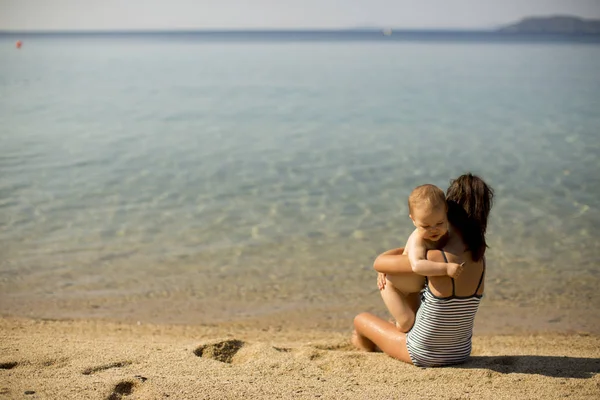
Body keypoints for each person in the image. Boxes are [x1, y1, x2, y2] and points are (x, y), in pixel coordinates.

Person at [352, 173, 494, 367]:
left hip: (422, 352)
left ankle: (362, 345)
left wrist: (385, 269)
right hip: (461, 352)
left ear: (449, 209)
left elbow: (380, 263)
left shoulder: (435, 256)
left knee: (361, 320)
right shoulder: (480, 257)